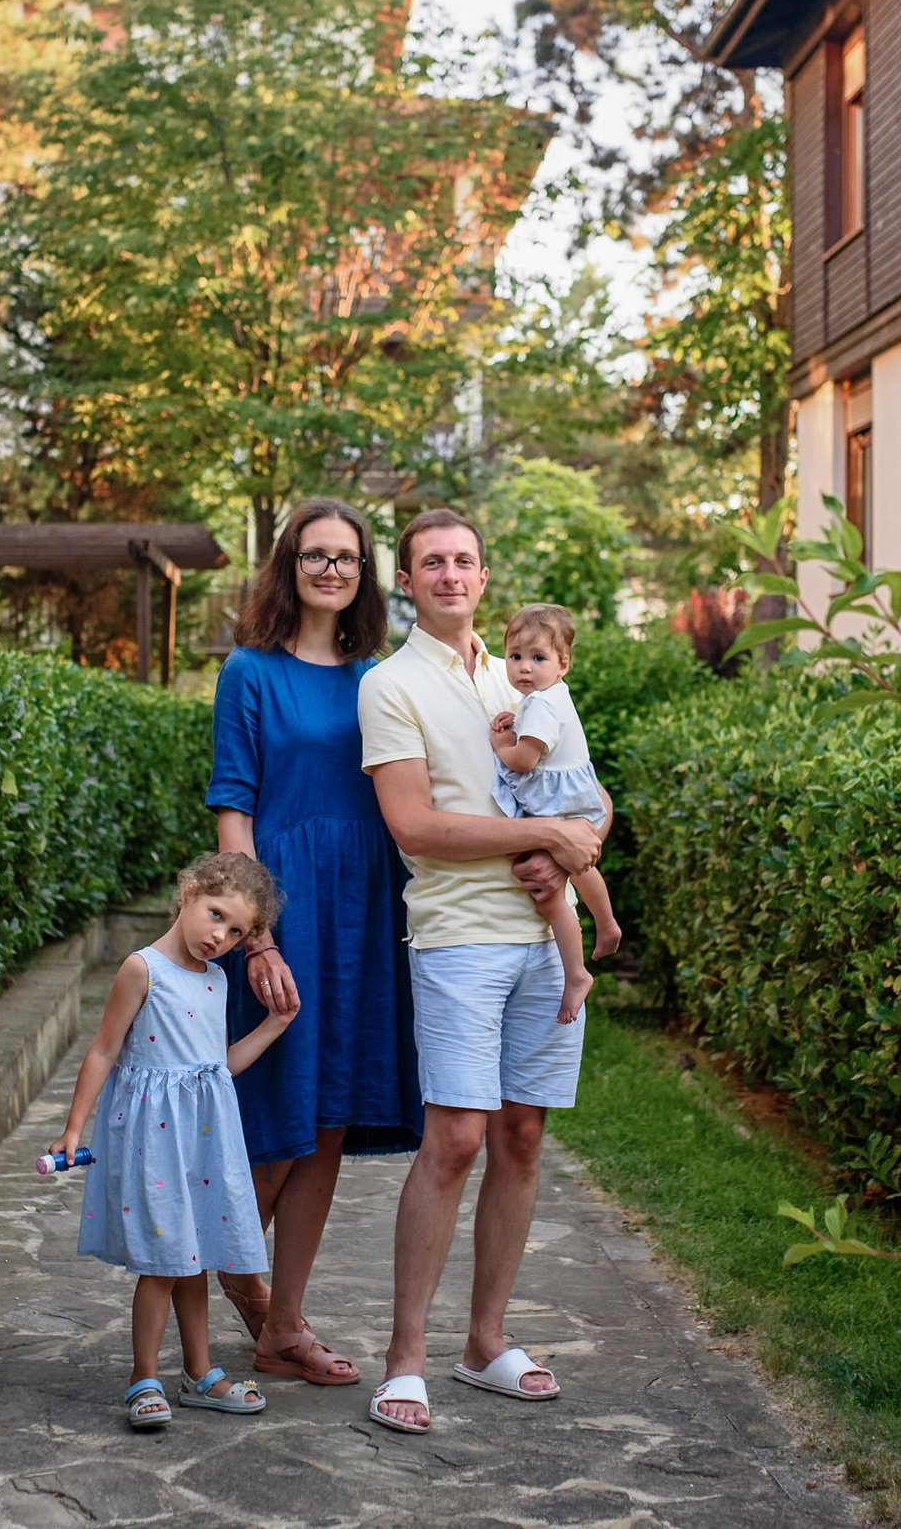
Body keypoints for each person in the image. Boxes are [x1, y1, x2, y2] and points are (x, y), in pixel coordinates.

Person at [355, 509, 608, 1437]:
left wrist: (578, 840)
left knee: (524, 1135)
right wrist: (539, 834)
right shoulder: (389, 685)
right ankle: (406, 1359)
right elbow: (414, 825)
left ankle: (484, 1343)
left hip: (549, 935)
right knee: (456, 1136)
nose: (450, 574)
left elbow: (590, 789)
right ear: (409, 582)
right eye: (432, 563)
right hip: (460, 934)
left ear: (484, 576)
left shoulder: (524, 670)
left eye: (463, 560)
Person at [205, 498, 422, 1388]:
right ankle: (207, 1267)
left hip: (365, 907)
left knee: (327, 1118)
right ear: (287, 562)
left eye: (348, 557)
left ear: (364, 573)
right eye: (315, 553)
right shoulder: (248, 671)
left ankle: (281, 1323)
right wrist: (256, 935)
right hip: (284, 902)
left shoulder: (378, 675)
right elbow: (232, 805)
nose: (332, 568)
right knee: (275, 1126)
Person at [47, 852, 297, 1430]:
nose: (221, 936)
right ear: (188, 893)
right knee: (163, 1263)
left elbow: (217, 1067)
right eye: (215, 915)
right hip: (155, 1144)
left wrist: (274, 1025)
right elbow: (105, 1050)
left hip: (204, 1145)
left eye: (236, 931)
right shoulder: (143, 969)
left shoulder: (215, 980)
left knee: (197, 1259)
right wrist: (73, 1128)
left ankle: (201, 1374)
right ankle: (144, 1378)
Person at [487, 602, 620, 1024]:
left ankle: (577, 973)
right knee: (579, 869)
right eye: (516, 657)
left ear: (563, 663)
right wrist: (518, 716)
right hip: (574, 797)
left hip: (558, 805)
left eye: (538, 658)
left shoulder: (542, 705)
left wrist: (500, 745)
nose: (524, 668)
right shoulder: (547, 697)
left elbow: (525, 758)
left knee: (551, 899)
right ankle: (607, 921)